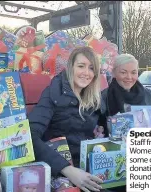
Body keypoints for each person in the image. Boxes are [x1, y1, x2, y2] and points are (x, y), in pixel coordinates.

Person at [28, 46, 107, 192]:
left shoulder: (93, 98)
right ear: (71, 67)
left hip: (87, 167)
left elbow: (106, 126)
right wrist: (67, 169)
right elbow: (30, 136)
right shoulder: (54, 93)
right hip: (59, 171)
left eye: (91, 68)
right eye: (81, 66)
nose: (86, 73)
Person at [100, 54, 151, 192]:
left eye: (133, 72)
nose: (129, 77)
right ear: (114, 72)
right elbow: (97, 129)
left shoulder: (147, 94)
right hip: (115, 159)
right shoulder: (103, 96)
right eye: (123, 72)